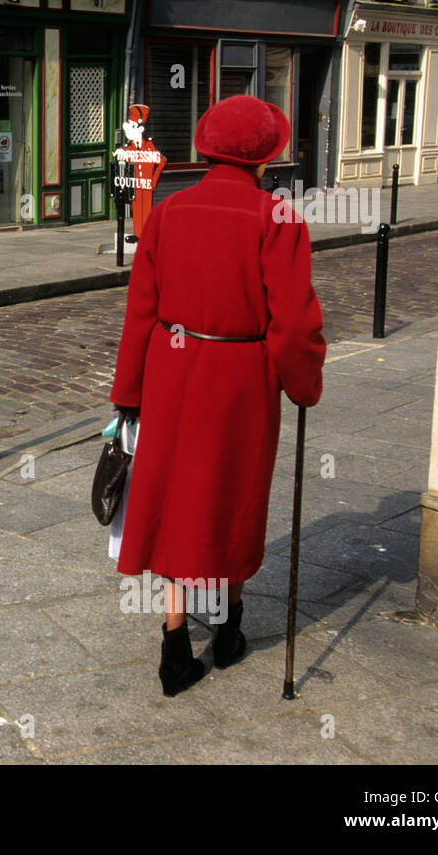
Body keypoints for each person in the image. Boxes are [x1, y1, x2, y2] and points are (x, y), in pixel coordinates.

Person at [108, 94, 327, 697]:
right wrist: (304, 382)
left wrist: (129, 391)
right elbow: (294, 325)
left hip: (173, 372)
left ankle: (175, 642)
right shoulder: (277, 217)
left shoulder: (170, 214)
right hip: (240, 376)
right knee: (233, 492)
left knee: (178, 500)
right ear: (265, 155)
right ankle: (228, 625)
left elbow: (141, 312)